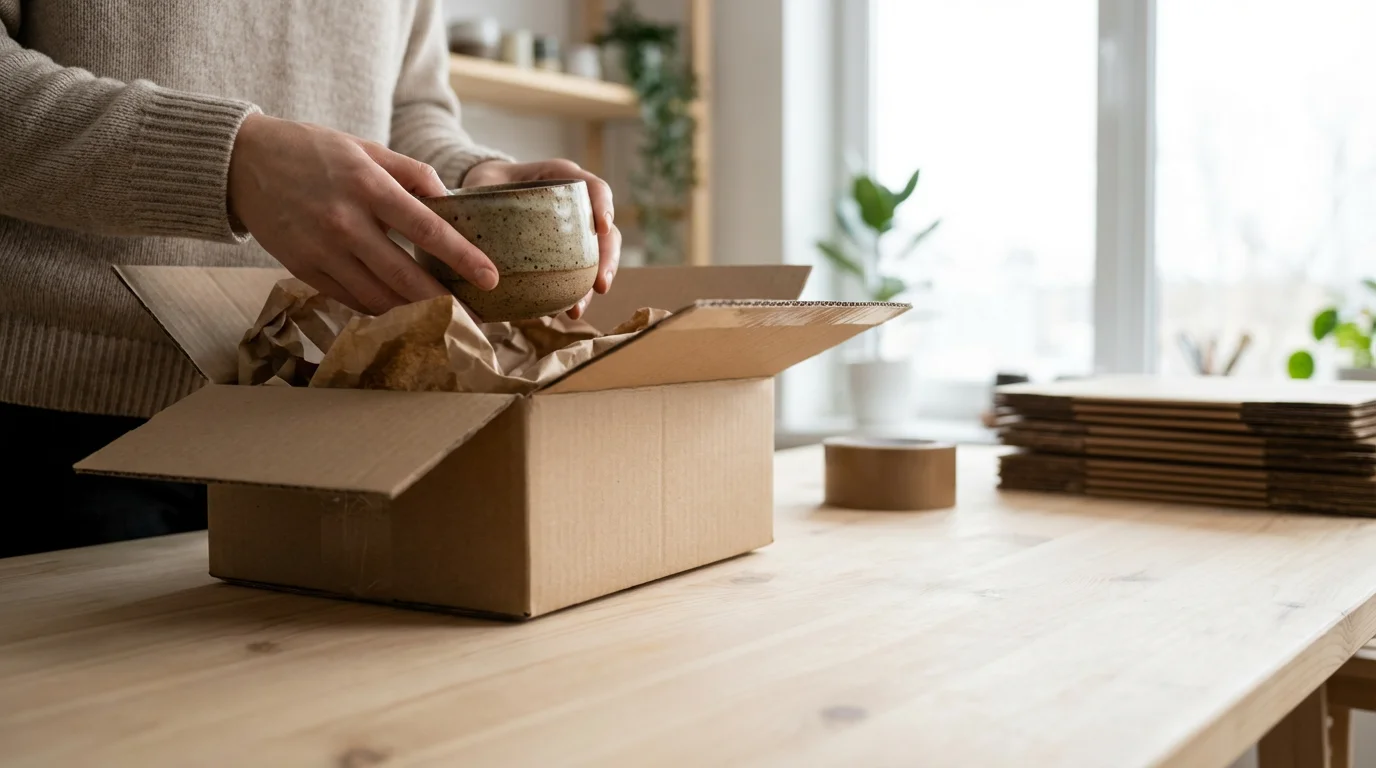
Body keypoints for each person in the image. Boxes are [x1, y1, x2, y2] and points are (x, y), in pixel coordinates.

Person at [0, 1, 622, 557]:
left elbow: (410, 107)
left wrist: (469, 180)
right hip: (65, 416)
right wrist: (232, 160)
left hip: (327, 404)